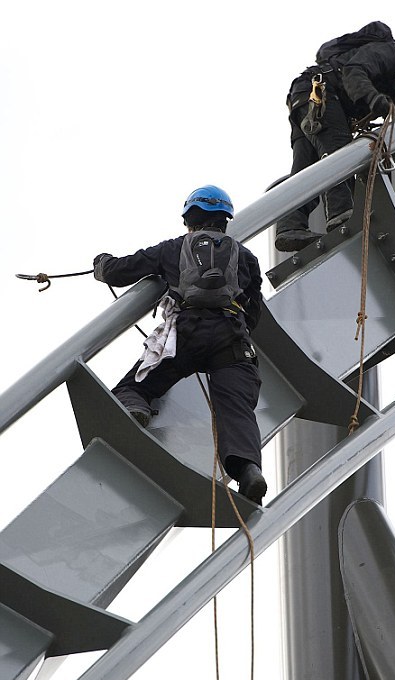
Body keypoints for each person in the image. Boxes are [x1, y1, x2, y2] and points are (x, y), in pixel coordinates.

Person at [93, 185, 267, 505]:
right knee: (237, 411)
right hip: (232, 340)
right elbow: (254, 309)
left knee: (134, 386)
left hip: (188, 335)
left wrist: (102, 264)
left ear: (189, 218)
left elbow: (122, 270)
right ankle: (248, 471)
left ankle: (136, 407)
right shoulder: (245, 256)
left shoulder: (173, 248)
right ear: (225, 220)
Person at [275, 24, 395, 252]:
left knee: (306, 168)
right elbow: (354, 70)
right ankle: (342, 217)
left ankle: (289, 227)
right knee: (337, 151)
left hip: (306, 98)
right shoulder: (390, 53)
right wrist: (373, 98)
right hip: (318, 92)